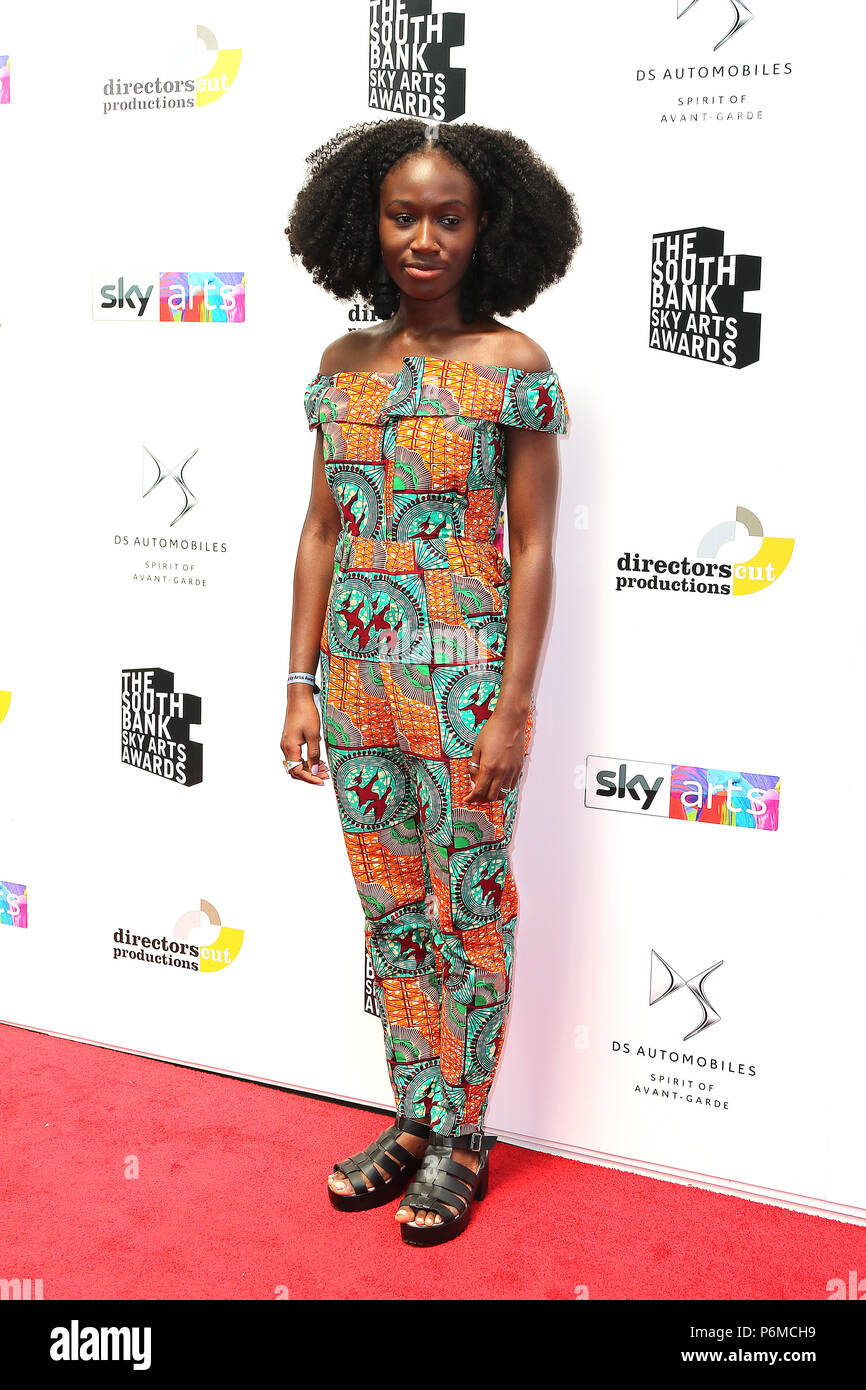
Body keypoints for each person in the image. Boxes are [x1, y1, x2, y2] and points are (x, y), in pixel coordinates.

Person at [282, 116, 580, 1246]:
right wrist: (298, 681)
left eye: (447, 217)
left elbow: (536, 546)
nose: (423, 237)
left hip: (462, 690)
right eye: (403, 215)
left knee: (471, 917)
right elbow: (318, 531)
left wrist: (511, 706)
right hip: (355, 689)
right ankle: (411, 1114)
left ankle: (464, 1138)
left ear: (487, 228)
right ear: (365, 223)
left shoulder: (513, 370)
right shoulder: (338, 368)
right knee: (391, 915)